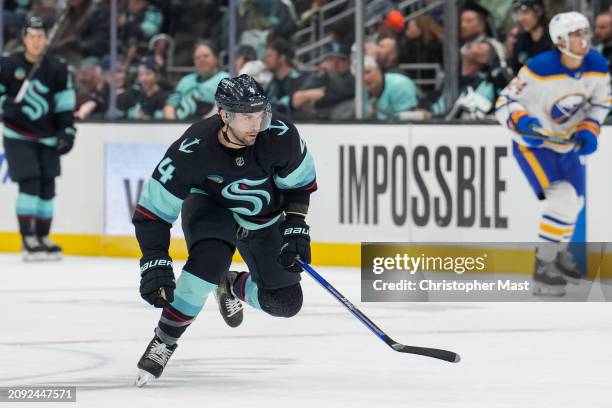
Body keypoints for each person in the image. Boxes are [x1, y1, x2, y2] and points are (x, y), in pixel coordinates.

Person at [132, 74, 317, 386]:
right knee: (207, 264)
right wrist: (155, 259)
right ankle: (164, 340)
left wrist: (296, 225)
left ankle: (231, 285)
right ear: (224, 115)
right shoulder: (192, 149)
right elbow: (152, 212)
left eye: (260, 114)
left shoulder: (280, 134)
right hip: (211, 206)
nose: (256, 125)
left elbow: (299, 185)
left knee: (286, 303)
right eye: (246, 117)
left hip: (263, 218)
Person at [495, 12, 611, 296]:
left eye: (585, 32)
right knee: (563, 200)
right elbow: (504, 102)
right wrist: (523, 122)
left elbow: (600, 103)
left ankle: (556, 253)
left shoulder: (597, 64)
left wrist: (588, 130)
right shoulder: (538, 68)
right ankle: (543, 265)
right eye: (576, 34)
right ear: (560, 40)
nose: (584, 39)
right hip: (534, 146)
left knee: (575, 203)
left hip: (567, 145)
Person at [0, 16, 76, 261]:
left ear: (45, 39)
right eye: (31, 36)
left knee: (47, 185)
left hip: (47, 136)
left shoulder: (57, 68)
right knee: (30, 183)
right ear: (24, 38)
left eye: (40, 36)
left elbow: (65, 104)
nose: (36, 41)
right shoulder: (9, 65)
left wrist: (67, 130)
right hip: (18, 135)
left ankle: (43, 236)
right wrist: (5, 104)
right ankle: (28, 238)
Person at [163, 41, 229, 121]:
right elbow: (170, 105)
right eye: (197, 58)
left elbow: (221, 111)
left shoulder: (226, 80)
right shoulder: (185, 80)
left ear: (216, 58)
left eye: (206, 56)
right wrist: (172, 125)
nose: (201, 60)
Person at [508, 0, 553, 74]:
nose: (520, 18)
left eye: (525, 12)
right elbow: (515, 71)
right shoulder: (520, 40)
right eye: (517, 13)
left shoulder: (554, 36)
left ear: (539, 11)